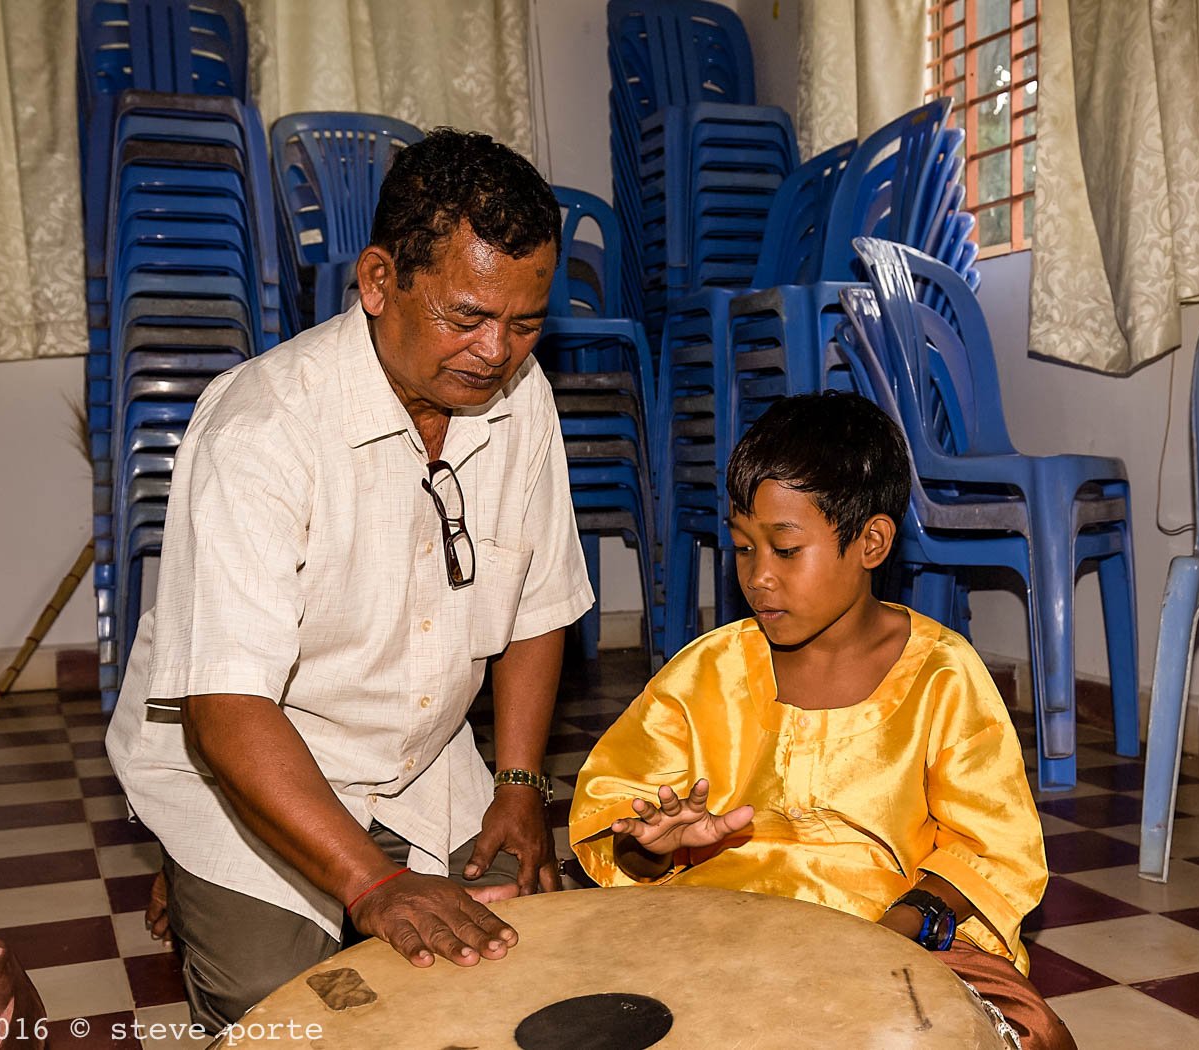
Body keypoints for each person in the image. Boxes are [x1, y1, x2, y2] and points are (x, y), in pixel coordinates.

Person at [107, 127, 594, 1032]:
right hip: (248, 765)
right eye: (465, 317)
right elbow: (229, 708)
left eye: (525, 323)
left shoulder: (521, 401)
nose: (497, 353)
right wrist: (372, 884)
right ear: (378, 282)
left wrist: (520, 787)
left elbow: (539, 605)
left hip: (419, 760)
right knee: (284, 1014)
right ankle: (207, 872)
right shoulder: (261, 429)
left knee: (523, 968)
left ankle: (284, 888)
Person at [569, 392, 1076, 1050]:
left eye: (785, 550)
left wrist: (895, 930)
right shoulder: (708, 671)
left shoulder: (942, 674)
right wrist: (650, 846)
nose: (759, 579)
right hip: (720, 925)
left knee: (1024, 1031)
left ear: (870, 542)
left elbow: (993, 850)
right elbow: (615, 821)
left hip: (886, 929)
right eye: (745, 549)